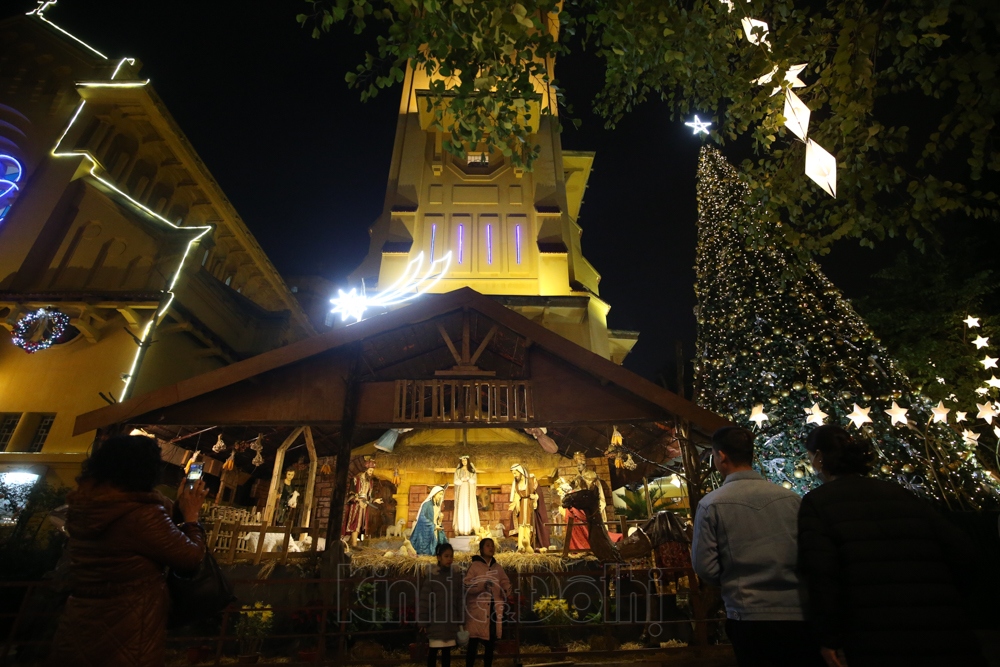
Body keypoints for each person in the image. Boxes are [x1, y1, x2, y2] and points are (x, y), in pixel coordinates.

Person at [798, 425, 987, 667]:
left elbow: (822, 573)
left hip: (873, 633)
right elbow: (963, 552)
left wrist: (829, 637)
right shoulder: (902, 495)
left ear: (820, 457)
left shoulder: (818, 503)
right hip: (939, 627)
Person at [48, 435, 208, 667]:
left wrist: (175, 508)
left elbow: (143, 538)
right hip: (128, 626)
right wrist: (192, 519)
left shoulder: (86, 507)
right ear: (145, 470)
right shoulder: (141, 515)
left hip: (80, 620)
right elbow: (190, 557)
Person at [691, 426, 822, 667]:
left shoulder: (711, 504)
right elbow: (810, 553)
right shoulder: (792, 499)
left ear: (721, 456)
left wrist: (734, 578)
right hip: (798, 613)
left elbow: (705, 567)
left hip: (747, 614)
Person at [464, 538, 511, 667]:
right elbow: (467, 584)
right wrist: (481, 585)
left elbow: (505, 581)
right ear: (481, 549)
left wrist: (505, 589)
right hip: (477, 612)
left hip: (493, 610)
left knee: (490, 643)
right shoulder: (475, 566)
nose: (491, 548)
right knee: (473, 643)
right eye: (488, 545)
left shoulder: (498, 567)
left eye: (492, 546)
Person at [418, 543, 466, 667]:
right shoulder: (432, 577)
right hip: (435, 621)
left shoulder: (455, 577)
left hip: (450, 621)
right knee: (433, 651)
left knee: (447, 653)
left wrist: (461, 619)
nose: (449, 559)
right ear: (439, 557)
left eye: (451, 556)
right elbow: (425, 600)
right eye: (446, 556)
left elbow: (459, 599)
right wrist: (423, 621)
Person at [508, 464, 550, 550]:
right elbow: (515, 495)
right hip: (521, 505)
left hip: (529, 505)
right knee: (521, 526)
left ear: (520, 472)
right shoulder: (516, 484)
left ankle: (527, 545)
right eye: (513, 473)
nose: (514, 475)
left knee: (527, 525)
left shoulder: (531, 480)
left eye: (515, 473)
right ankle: (520, 546)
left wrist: (535, 497)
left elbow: (538, 494)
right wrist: (516, 502)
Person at [343, 457, 383, 546]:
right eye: (370, 470)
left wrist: (375, 500)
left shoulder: (370, 482)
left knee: (360, 524)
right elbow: (351, 494)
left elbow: (369, 496)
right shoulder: (355, 479)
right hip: (356, 505)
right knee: (355, 524)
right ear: (365, 469)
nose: (371, 473)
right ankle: (353, 544)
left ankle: (353, 543)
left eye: (372, 471)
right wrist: (358, 499)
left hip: (364, 506)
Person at [412, 485, 447, 556]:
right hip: (427, 529)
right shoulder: (426, 504)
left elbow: (436, 518)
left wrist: (440, 519)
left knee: (437, 545)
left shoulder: (437, 506)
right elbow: (422, 517)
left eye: (442, 494)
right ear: (434, 493)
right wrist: (433, 526)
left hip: (435, 528)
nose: (441, 496)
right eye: (440, 494)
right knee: (427, 548)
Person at [453, 456, 481, 536]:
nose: (464, 462)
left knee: (469, 509)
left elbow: (474, 480)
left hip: (469, 492)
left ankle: (469, 528)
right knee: (462, 508)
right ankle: (461, 529)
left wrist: (468, 478)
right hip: (461, 491)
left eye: (465, 460)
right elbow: (455, 481)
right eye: (462, 460)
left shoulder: (471, 470)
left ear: (467, 461)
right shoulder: (458, 471)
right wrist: (461, 480)